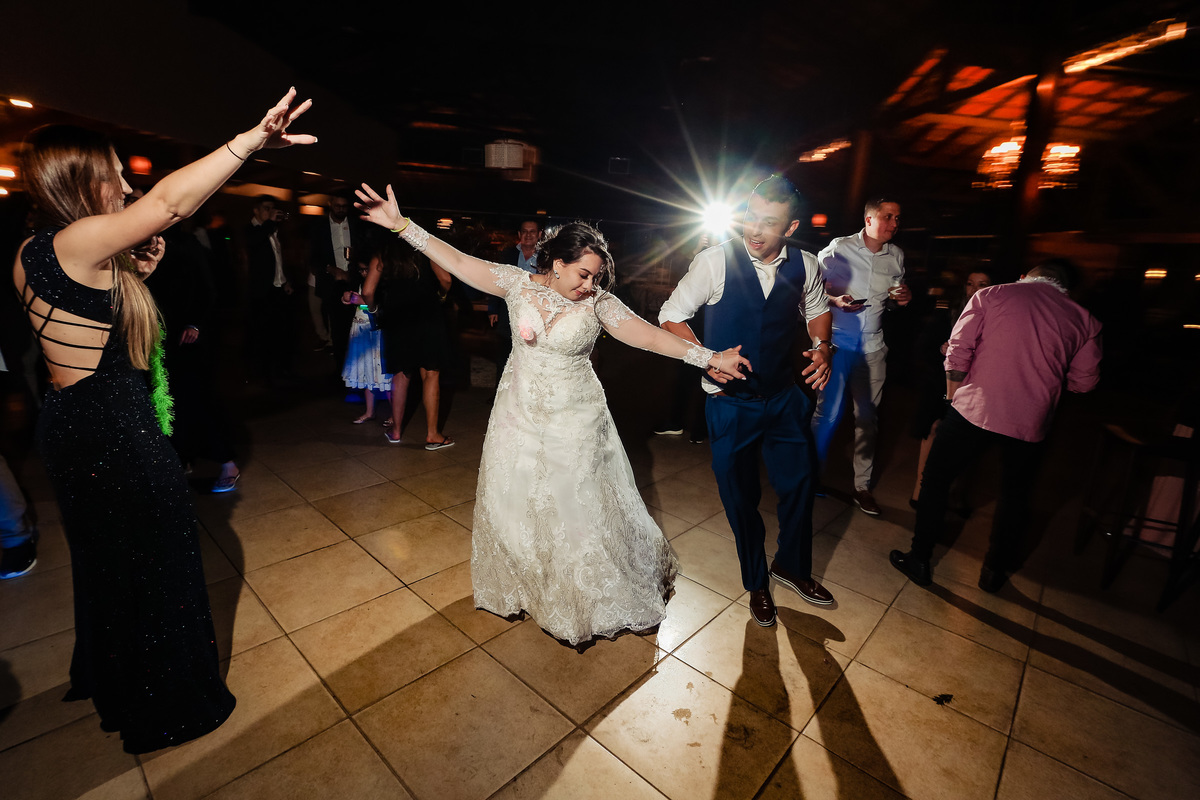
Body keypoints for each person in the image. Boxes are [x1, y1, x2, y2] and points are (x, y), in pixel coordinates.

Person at [11, 88, 314, 752]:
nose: (127, 185)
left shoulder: (38, 248)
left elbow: (97, 336)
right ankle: (164, 705)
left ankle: (117, 679)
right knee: (156, 562)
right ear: (79, 179)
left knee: (110, 564)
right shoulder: (76, 240)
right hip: (111, 426)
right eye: (115, 173)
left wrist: (135, 278)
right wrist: (252, 140)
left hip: (71, 422)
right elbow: (171, 204)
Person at [356, 182, 750, 645]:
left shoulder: (599, 304)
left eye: (595, 277)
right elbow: (458, 262)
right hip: (517, 413)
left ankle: (583, 597)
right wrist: (402, 226)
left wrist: (708, 357)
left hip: (576, 419)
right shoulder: (515, 283)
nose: (590, 285)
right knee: (516, 502)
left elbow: (649, 336)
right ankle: (525, 584)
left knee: (574, 507)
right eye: (583, 274)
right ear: (557, 263)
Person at [660, 175, 836, 628]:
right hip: (730, 402)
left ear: (790, 227)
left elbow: (818, 311)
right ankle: (757, 581)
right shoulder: (714, 261)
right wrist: (706, 358)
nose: (755, 230)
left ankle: (791, 567)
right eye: (751, 217)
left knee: (799, 486)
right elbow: (670, 316)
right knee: (740, 497)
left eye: (769, 223)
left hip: (783, 398)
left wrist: (823, 347)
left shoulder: (807, 265)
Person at [890, 260, 1102, 593]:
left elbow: (959, 349)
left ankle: (920, 559)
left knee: (936, 480)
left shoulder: (992, 295)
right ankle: (993, 572)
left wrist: (952, 396)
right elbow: (1084, 383)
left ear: (1025, 277)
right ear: (1065, 288)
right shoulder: (1085, 320)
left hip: (975, 407)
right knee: (1015, 497)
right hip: (1031, 420)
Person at [812, 197, 911, 517]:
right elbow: (809, 290)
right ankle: (811, 476)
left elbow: (892, 299)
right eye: (888, 216)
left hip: (873, 348)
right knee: (827, 414)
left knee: (868, 420)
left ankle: (862, 487)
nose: (895, 223)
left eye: (897, 218)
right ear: (869, 219)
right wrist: (834, 300)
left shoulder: (896, 256)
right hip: (837, 345)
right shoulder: (839, 249)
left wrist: (901, 299)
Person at [908, 268, 995, 509]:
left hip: (977, 386)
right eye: (970, 283)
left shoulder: (997, 317)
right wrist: (942, 349)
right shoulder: (949, 312)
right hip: (942, 382)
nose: (974, 289)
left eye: (982, 284)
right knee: (933, 429)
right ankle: (919, 490)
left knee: (969, 440)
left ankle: (956, 493)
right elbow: (924, 346)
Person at [363, 241, 455, 448]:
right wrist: (441, 296)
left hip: (398, 317)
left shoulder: (384, 251)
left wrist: (374, 310)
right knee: (430, 374)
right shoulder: (424, 245)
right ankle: (433, 434)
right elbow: (446, 279)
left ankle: (396, 431)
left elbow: (367, 291)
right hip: (428, 316)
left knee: (401, 374)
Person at [244, 194, 296, 384]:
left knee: (281, 332)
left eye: (272, 208)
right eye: (266, 208)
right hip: (261, 291)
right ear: (256, 210)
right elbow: (253, 244)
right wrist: (270, 223)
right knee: (262, 334)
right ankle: (262, 374)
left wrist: (286, 281)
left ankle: (281, 370)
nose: (271, 212)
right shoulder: (250, 230)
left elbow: (280, 259)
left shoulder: (274, 229)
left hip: (278, 289)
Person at [488, 219, 541, 382]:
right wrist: (493, 308)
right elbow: (498, 281)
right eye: (525, 231)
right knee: (504, 358)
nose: (528, 235)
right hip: (508, 314)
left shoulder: (546, 257)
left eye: (532, 231)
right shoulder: (508, 254)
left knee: (531, 359)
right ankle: (502, 390)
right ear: (519, 234)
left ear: (539, 234)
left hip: (536, 316)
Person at [341, 256, 393, 424]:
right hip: (360, 328)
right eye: (361, 270)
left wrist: (360, 302)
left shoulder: (382, 284)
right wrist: (347, 298)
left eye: (366, 270)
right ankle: (369, 411)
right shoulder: (359, 282)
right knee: (366, 372)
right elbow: (354, 301)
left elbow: (377, 306)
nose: (364, 273)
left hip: (375, 332)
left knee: (383, 376)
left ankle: (395, 413)